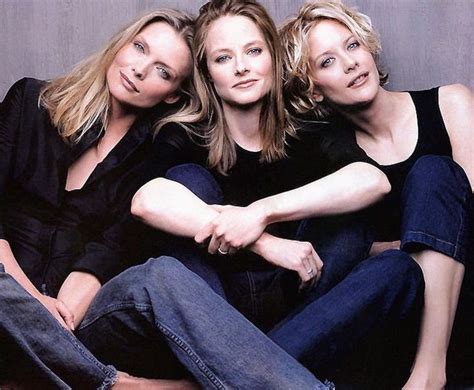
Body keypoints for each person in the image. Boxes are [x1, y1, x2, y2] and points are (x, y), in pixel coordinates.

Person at [71, 1, 422, 388]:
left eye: (253, 51)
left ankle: (204, 382)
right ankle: (248, 367)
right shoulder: (186, 133)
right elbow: (146, 200)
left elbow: (373, 180)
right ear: (207, 74)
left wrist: (260, 213)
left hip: (295, 304)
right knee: (189, 180)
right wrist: (263, 241)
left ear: (272, 56)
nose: (241, 67)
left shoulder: (306, 128)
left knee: (394, 266)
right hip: (207, 308)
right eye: (224, 58)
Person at [0, 8, 198, 388]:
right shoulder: (30, 101)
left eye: (162, 71)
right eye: (139, 47)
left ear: (173, 94)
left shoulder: (154, 156)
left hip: (76, 317)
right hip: (10, 288)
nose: (140, 69)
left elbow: (108, 251)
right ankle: (118, 385)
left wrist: (58, 323)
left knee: (148, 283)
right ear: (121, 43)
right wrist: (32, 307)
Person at [279, 1, 473, 388]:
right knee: (388, 271)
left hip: (465, 306)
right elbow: (341, 254)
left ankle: (429, 375)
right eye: (328, 61)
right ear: (314, 90)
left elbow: (468, 220)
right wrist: (421, 247)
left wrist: (412, 243)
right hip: (391, 326)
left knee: (434, 172)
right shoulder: (325, 154)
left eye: (352, 46)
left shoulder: (450, 103)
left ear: (369, 48)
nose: (350, 63)